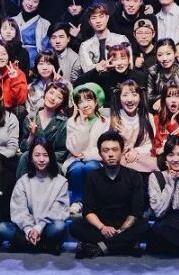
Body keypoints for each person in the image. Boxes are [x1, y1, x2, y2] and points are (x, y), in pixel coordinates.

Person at [71, 131, 149, 259]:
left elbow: (136, 211)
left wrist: (122, 230)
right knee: (75, 227)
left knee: (144, 226)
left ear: (122, 151)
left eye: (115, 150)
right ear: (100, 154)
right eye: (106, 150)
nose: (111, 154)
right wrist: (103, 228)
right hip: (101, 227)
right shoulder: (92, 177)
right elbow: (88, 211)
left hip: (125, 226)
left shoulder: (134, 176)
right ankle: (125, 247)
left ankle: (100, 248)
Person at [1, 137, 70, 254]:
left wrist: (39, 227)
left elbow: (58, 210)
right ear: (31, 158)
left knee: (59, 227)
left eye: (45, 155)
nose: (41, 159)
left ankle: (24, 244)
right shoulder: (23, 181)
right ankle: (45, 246)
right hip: (27, 227)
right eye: (37, 155)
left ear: (51, 157)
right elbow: (19, 210)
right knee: (2, 228)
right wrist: (28, 229)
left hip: (47, 227)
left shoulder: (61, 182)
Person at [63, 83, 109, 206]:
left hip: (97, 159)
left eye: (88, 100)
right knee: (77, 168)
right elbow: (75, 150)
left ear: (95, 102)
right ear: (77, 105)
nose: (85, 104)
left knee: (91, 166)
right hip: (75, 159)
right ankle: (77, 202)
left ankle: (94, 202)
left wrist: (88, 155)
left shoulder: (105, 122)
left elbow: (105, 147)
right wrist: (82, 126)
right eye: (80, 101)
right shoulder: (72, 122)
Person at [19, 81, 70, 175]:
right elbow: (23, 148)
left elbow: (62, 152)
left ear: (62, 103)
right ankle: (22, 184)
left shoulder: (63, 122)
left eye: (59, 97)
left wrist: (43, 156)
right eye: (51, 93)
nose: (53, 98)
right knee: (25, 156)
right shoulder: (30, 118)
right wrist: (32, 135)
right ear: (45, 94)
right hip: (31, 160)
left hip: (52, 162)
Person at [108, 79, 158, 173]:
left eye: (134, 95)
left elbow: (151, 144)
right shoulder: (114, 119)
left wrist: (136, 151)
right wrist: (125, 139)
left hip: (142, 157)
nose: (130, 99)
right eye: (125, 95)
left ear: (140, 97)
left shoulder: (148, 117)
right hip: (122, 160)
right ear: (119, 97)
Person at [78, 3, 130, 72]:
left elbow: (129, 65)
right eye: (94, 18)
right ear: (89, 22)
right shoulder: (85, 46)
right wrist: (99, 67)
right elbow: (87, 70)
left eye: (101, 16)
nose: (98, 21)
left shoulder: (121, 39)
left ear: (107, 18)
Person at [147, 38, 179, 102]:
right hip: (158, 106)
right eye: (160, 55)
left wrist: (165, 98)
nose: (164, 58)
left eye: (168, 54)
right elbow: (149, 98)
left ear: (175, 53)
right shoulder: (152, 71)